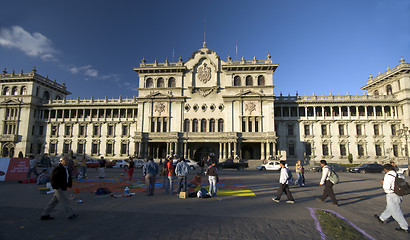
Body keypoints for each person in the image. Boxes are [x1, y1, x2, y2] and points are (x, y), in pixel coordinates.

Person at [40, 156, 78, 220]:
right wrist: (55, 187)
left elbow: (68, 177)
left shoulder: (67, 168)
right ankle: (70, 214)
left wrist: (69, 184)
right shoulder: (58, 168)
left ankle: (45, 214)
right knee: (65, 200)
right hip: (58, 187)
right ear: (61, 161)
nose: (68, 162)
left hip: (63, 186)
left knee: (53, 201)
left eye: (68, 160)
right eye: (66, 160)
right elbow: (53, 178)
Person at [375, 164, 409, 233]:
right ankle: (382, 218)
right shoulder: (399, 174)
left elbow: (386, 187)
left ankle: (404, 227)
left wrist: (383, 183)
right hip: (399, 194)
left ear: (386, 169)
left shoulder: (388, 175)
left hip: (392, 194)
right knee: (390, 208)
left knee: (396, 211)